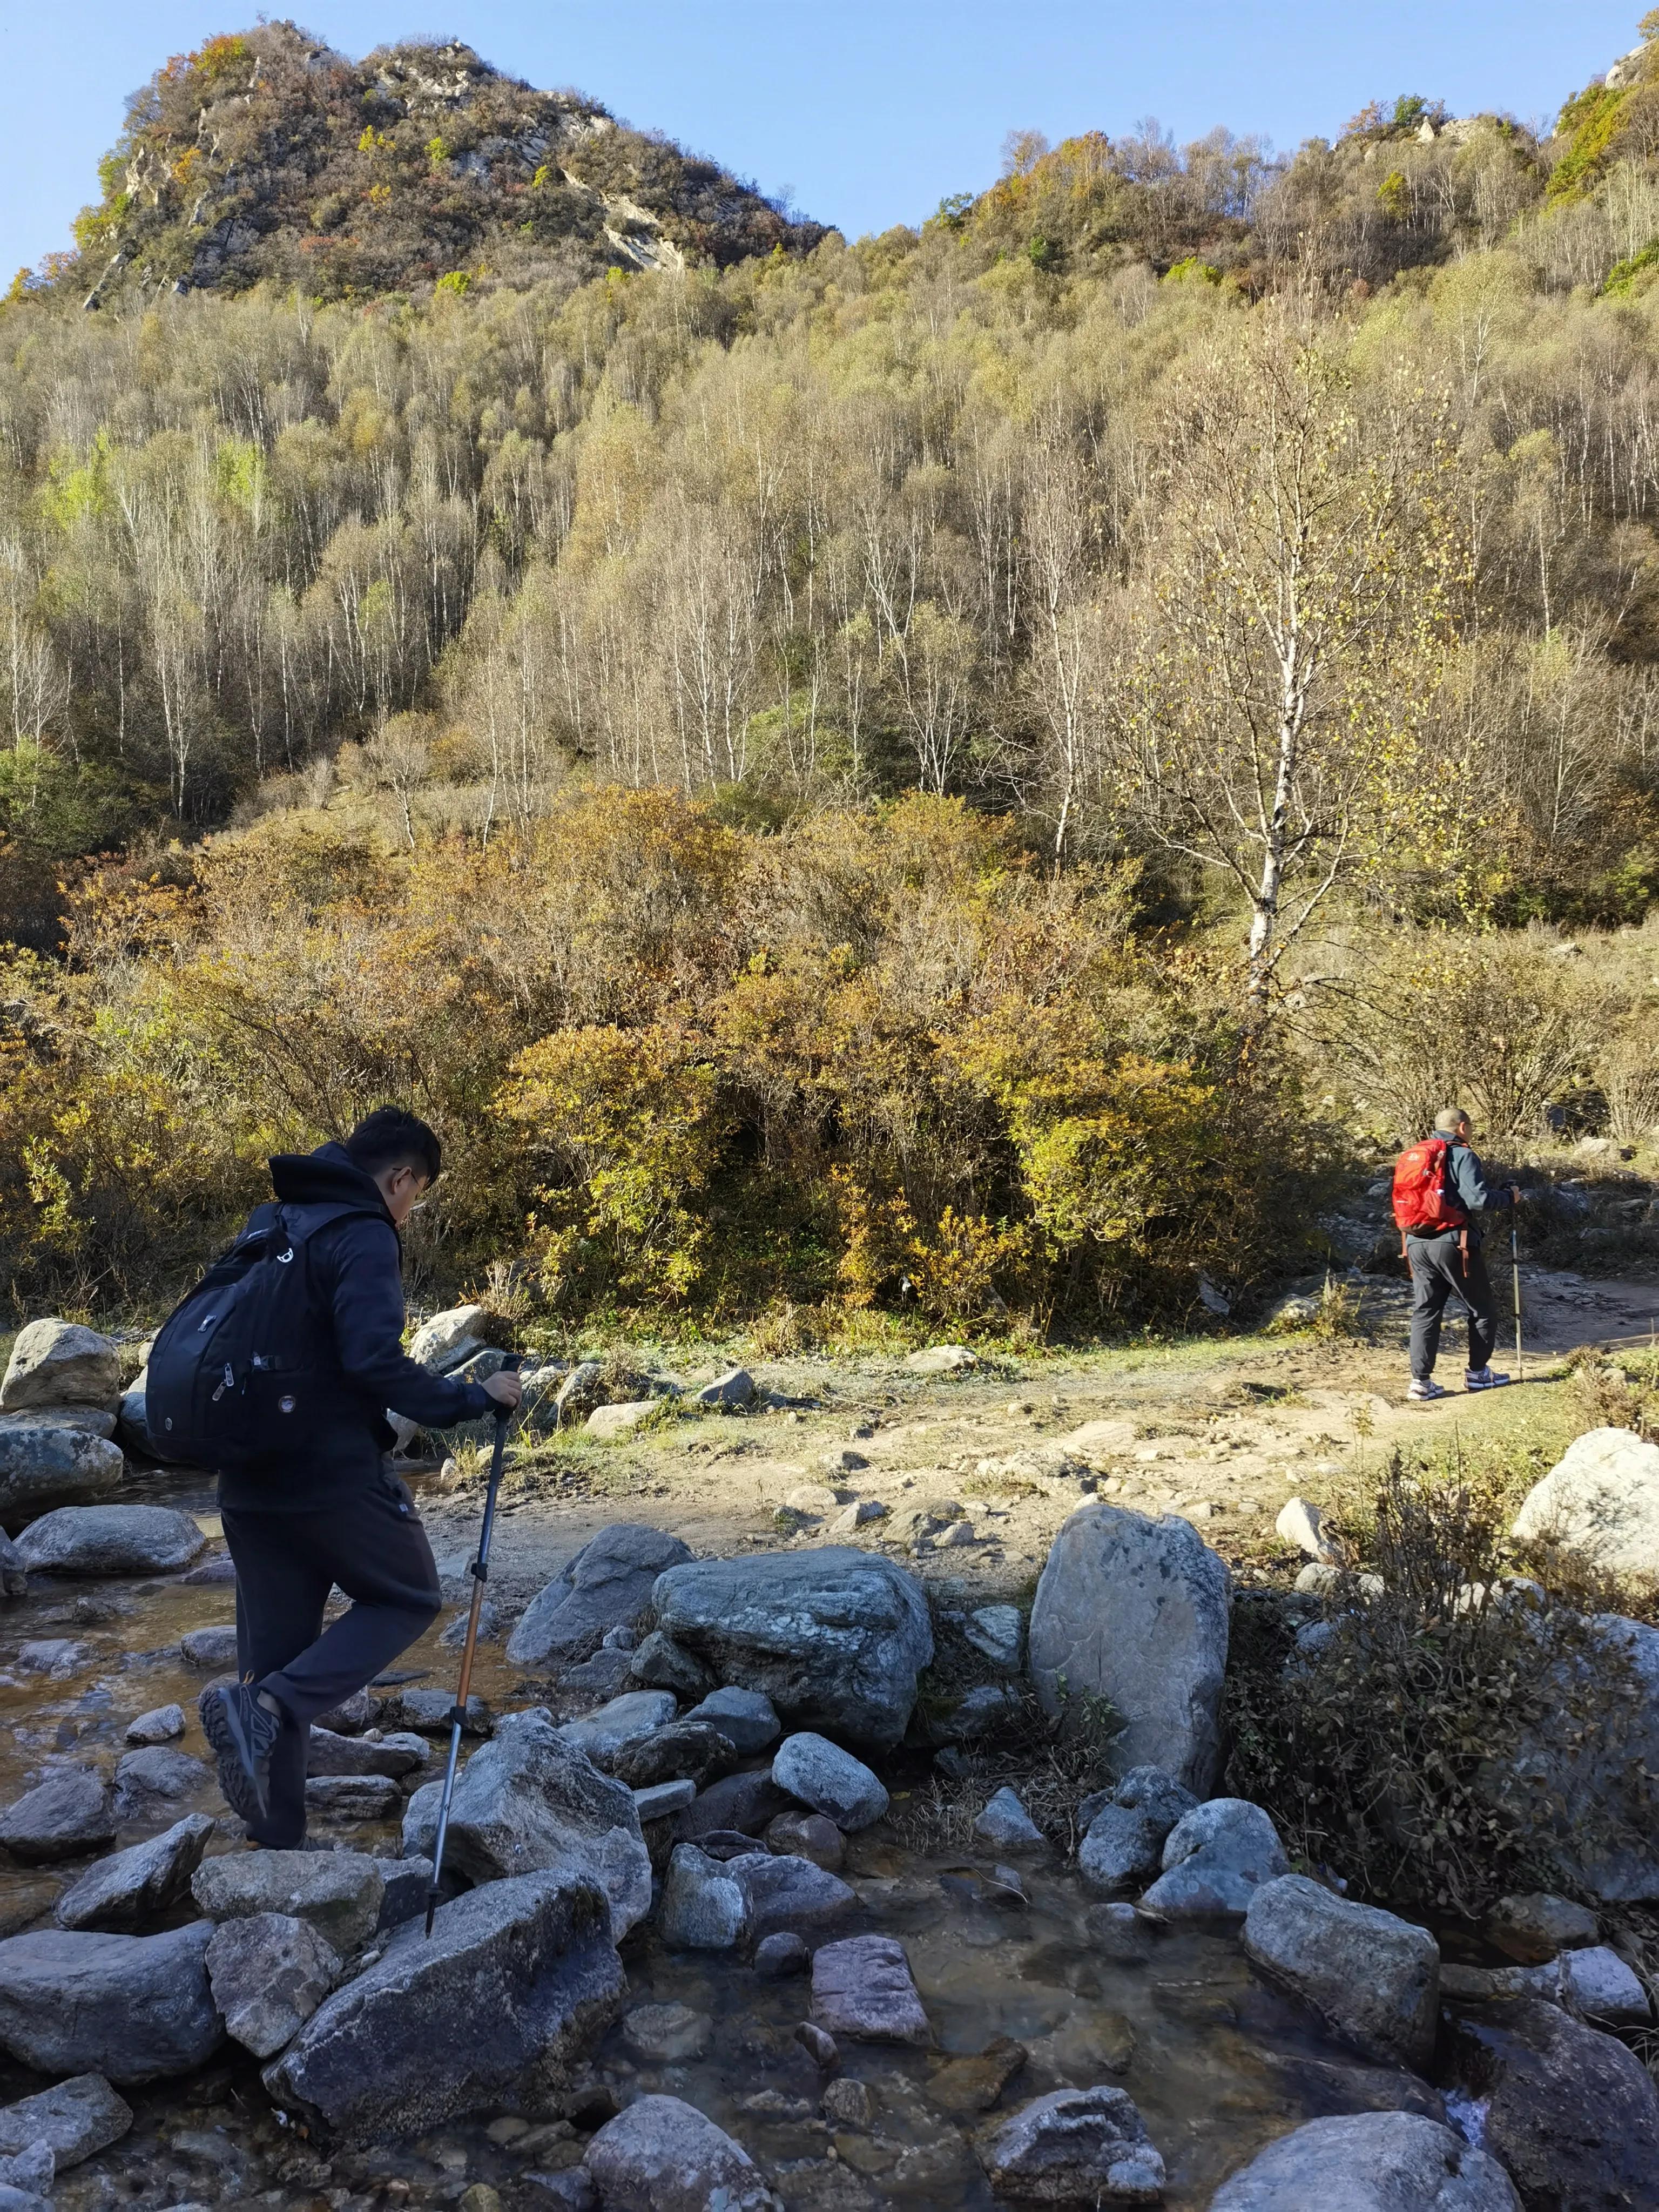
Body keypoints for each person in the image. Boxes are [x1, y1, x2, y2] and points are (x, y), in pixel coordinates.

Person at [198, 1108, 522, 1844]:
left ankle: (276, 1839)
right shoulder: (362, 1230)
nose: (410, 1211)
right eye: (417, 1194)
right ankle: (273, 1708)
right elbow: (372, 1361)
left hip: (247, 1477)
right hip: (330, 1473)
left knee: (272, 1659)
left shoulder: (273, 1222)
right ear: (400, 1177)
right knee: (408, 1596)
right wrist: (474, 1397)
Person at [1402, 1105, 1518, 1402]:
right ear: (1462, 1127)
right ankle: (1478, 1374)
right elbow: (1477, 1200)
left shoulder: (1416, 1155)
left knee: (1426, 1310)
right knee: (1481, 1308)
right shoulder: (1462, 1154)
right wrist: (1509, 1197)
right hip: (1455, 1243)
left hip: (1415, 1242)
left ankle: (1420, 1382)